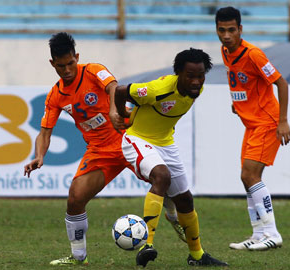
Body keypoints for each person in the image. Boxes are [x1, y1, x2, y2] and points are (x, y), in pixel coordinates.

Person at [23, 32, 184, 266]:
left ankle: (173, 216)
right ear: (52, 64)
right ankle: (79, 257)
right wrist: (39, 156)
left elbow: (113, 87)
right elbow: (45, 131)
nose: (67, 70)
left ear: (76, 57)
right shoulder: (55, 95)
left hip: (128, 138)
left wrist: (112, 110)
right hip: (100, 152)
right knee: (75, 199)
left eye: (70, 63)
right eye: (60, 66)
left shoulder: (93, 70)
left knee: (161, 177)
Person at [113, 48, 228, 267]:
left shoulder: (197, 89)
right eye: (190, 76)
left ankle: (197, 256)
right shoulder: (157, 90)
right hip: (137, 139)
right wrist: (121, 114)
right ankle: (147, 245)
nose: (196, 81)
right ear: (178, 74)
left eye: (200, 75)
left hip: (165, 143)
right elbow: (120, 91)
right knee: (161, 176)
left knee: (185, 200)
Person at [215, 7, 290, 251]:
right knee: (247, 178)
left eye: (231, 30)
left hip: (267, 122)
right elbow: (243, 81)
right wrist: (238, 103)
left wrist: (283, 121)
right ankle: (258, 234)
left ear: (240, 29)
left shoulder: (254, 54)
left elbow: (281, 83)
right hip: (251, 123)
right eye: (221, 30)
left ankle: (272, 233)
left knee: (250, 176)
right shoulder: (226, 51)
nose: (226, 35)